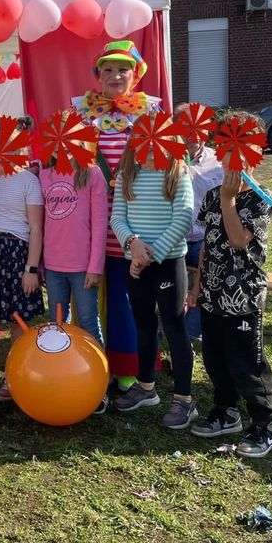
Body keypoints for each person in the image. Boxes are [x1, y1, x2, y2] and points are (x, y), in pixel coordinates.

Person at [73, 41, 162, 387]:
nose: (114, 75)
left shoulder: (150, 113)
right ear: (97, 76)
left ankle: (128, 367)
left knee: (128, 298)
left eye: (122, 69)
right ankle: (92, 362)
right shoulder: (83, 113)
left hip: (133, 222)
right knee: (92, 297)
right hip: (91, 224)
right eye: (107, 69)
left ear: (135, 74)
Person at [188, 111, 272, 458]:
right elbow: (209, 243)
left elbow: (239, 240)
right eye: (225, 146)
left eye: (242, 146)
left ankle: (265, 422)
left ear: (257, 151)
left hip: (243, 299)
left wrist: (230, 199)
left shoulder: (261, 197)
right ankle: (226, 411)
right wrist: (197, 287)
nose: (232, 157)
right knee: (216, 359)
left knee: (247, 364)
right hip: (211, 294)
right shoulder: (212, 195)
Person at [110, 137, 195, 429]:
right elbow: (118, 218)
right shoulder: (127, 174)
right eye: (142, 145)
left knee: (173, 326)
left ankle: (184, 399)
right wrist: (132, 244)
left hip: (167, 264)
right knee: (144, 324)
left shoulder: (177, 173)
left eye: (155, 146)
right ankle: (146, 388)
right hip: (135, 262)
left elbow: (182, 218)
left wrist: (148, 255)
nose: (148, 152)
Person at [0, 115, 44, 402]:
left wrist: (31, 268)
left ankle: (13, 373)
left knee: (18, 319)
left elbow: (37, 228)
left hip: (18, 254)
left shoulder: (28, 179)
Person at [40, 153, 108, 345]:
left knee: (88, 323)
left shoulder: (92, 174)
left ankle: (100, 373)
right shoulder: (44, 176)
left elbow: (100, 223)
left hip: (83, 267)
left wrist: (95, 266)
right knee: (58, 324)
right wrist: (40, 264)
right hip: (53, 266)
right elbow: (40, 222)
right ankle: (65, 371)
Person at [173, 102, 223, 342]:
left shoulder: (219, 161)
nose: (192, 136)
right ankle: (168, 322)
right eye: (186, 128)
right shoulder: (165, 159)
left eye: (198, 128)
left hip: (205, 237)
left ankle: (192, 331)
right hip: (175, 237)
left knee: (211, 270)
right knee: (165, 275)